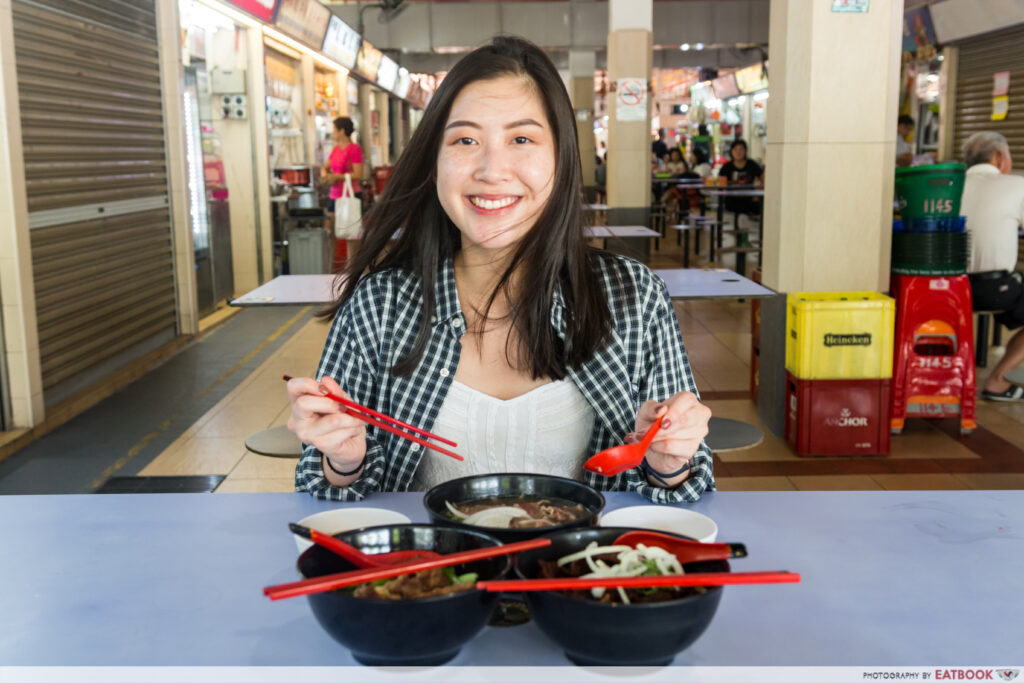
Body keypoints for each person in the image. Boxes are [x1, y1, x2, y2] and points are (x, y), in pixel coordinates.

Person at [287, 36, 714, 503]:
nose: (492, 169)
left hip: (581, 572)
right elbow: (318, 484)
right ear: (435, 160)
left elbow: (688, 484)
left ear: (562, 158)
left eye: (522, 139)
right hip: (432, 572)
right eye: (466, 140)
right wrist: (343, 461)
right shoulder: (380, 306)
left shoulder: (632, 298)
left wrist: (668, 462)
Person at [960, 132, 1024, 401]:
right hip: (993, 289)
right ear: (999, 158)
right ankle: (997, 381)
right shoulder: (1016, 185)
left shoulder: (948, 186)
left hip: (945, 289)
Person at [320, 117, 365, 239]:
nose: (333, 133)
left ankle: (354, 258)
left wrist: (336, 177)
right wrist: (326, 176)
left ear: (342, 131)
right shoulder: (336, 150)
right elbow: (325, 167)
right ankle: (331, 258)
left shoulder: (355, 149)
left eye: (334, 129)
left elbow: (358, 174)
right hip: (334, 195)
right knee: (330, 231)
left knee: (352, 232)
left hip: (351, 194)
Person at [717, 138, 763, 217]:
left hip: (749, 198)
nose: (738, 152)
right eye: (735, 149)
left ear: (745, 151)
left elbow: (763, 177)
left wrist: (758, 188)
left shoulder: (751, 164)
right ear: (731, 152)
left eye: (741, 149)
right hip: (732, 199)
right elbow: (719, 182)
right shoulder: (726, 167)